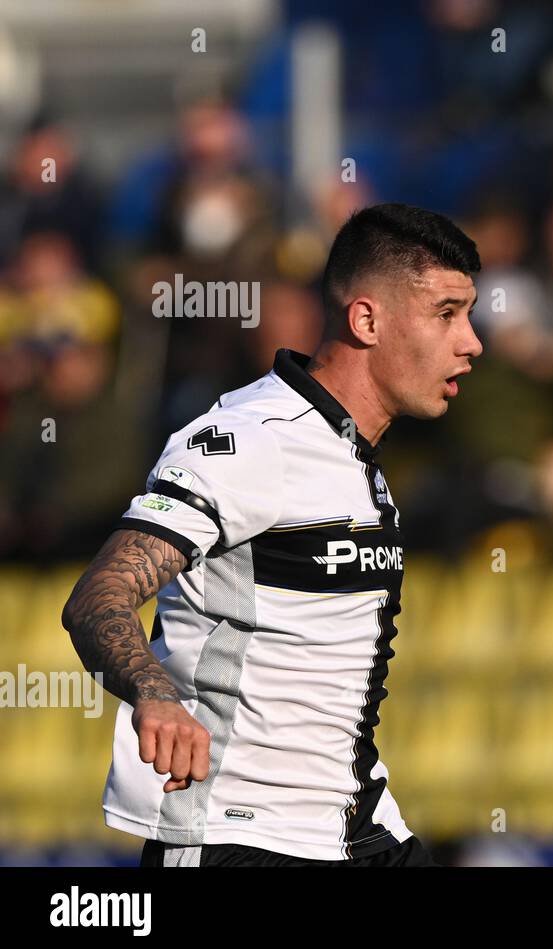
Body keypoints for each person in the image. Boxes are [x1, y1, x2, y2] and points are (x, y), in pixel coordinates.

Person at [61, 203, 482, 866]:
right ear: (367, 318)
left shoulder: (360, 463)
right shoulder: (249, 442)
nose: (471, 341)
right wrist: (155, 693)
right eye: (446, 313)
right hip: (240, 838)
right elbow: (98, 596)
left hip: (357, 828)